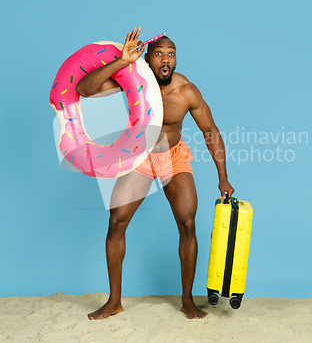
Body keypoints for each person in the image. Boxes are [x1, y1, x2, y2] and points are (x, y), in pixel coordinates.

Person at [76, 27, 235, 320]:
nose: (165, 60)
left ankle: (187, 300)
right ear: (148, 57)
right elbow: (84, 90)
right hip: (140, 157)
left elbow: (210, 130)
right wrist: (121, 62)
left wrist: (222, 176)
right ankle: (114, 301)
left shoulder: (186, 92)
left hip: (174, 158)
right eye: (159, 53)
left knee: (187, 223)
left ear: (176, 60)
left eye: (171, 54)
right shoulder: (132, 81)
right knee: (116, 222)